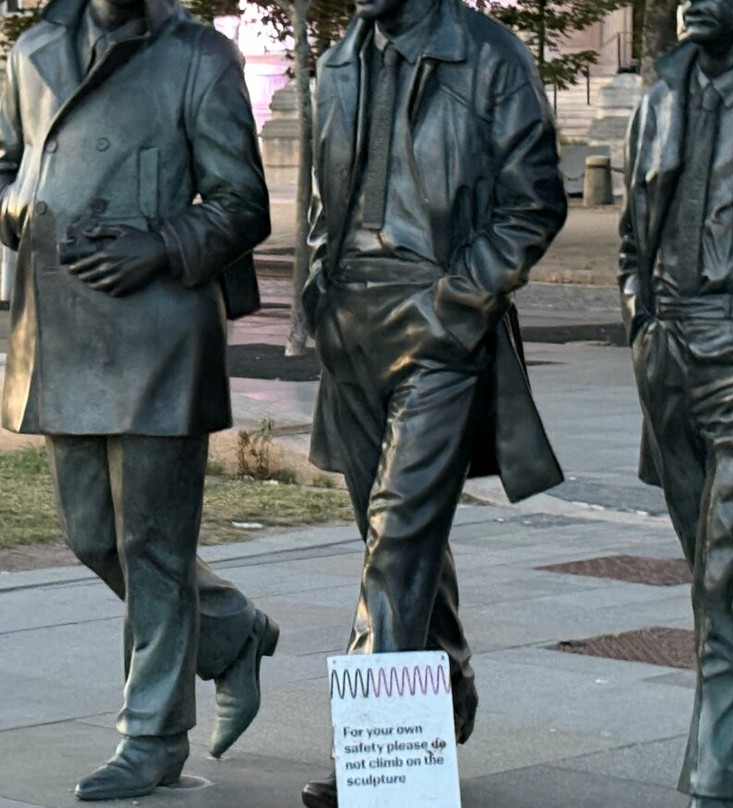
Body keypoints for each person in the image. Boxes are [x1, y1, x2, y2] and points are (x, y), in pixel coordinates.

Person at [0, 0, 278, 799]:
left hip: (161, 331)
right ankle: (231, 633)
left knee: (153, 547)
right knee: (93, 537)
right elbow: (7, 165)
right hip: (63, 327)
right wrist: (28, 205)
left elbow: (242, 201)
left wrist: (160, 243)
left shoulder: (199, 56)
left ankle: (153, 738)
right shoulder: (33, 50)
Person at [297, 0, 567, 803]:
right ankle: (443, 688)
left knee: (398, 536)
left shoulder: (489, 55)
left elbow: (535, 201)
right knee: (393, 532)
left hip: (437, 320)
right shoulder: (339, 60)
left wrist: (458, 302)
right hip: (350, 322)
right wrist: (320, 297)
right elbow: (324, 197)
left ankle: (372, 755)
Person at [618, 2, 733, 807]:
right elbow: (633, 236)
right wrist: (640, 316)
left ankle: (720, 785)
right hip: (668, 349)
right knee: (714, 569)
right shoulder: (665, 89)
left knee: (725, 579)